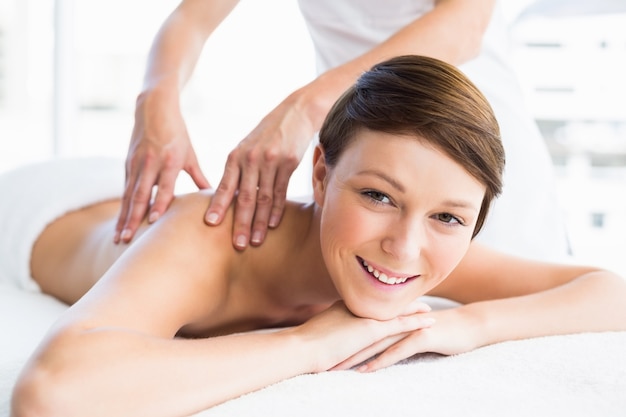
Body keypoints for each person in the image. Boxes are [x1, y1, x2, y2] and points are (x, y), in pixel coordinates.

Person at [10, 56, 625, 417]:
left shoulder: (416, 247)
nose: (405, 247)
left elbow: (611, 293)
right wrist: (311, 344)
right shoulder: (211, 238)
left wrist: (462, 325)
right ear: (322, 172)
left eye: (449, 217)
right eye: (378, 195)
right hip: (41, 206)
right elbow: (51, 393)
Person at [115, 0, 570, 262]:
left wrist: (305, 106)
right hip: (363, 142)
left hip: (462, 133)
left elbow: (464, 27)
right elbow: (192, 19)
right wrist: (155, 99)